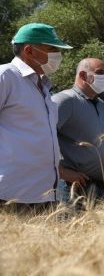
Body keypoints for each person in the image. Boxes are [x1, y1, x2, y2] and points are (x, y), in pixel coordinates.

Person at [0, 23, 72, 212]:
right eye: (52, 49)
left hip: (45, 195)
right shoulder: (5, 76)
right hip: (10, 194)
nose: (58, 55)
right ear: (29, 50)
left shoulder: (44, 87)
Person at [52, 58, 104, 200]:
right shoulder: (64, 100)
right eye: (100, 72)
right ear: (82, 75)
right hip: (75, 187)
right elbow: (42, 137)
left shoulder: (101, 104)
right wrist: (61, 172)